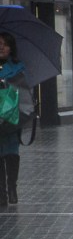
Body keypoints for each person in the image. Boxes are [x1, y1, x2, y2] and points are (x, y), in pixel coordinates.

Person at [0, 32, 28, 206]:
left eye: (5, 44)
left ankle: (12, 186)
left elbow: (23, 91)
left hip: (11, 118)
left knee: (11, 152)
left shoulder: (18, 67)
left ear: (11, 48)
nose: (1, 47)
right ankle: (1, 192)